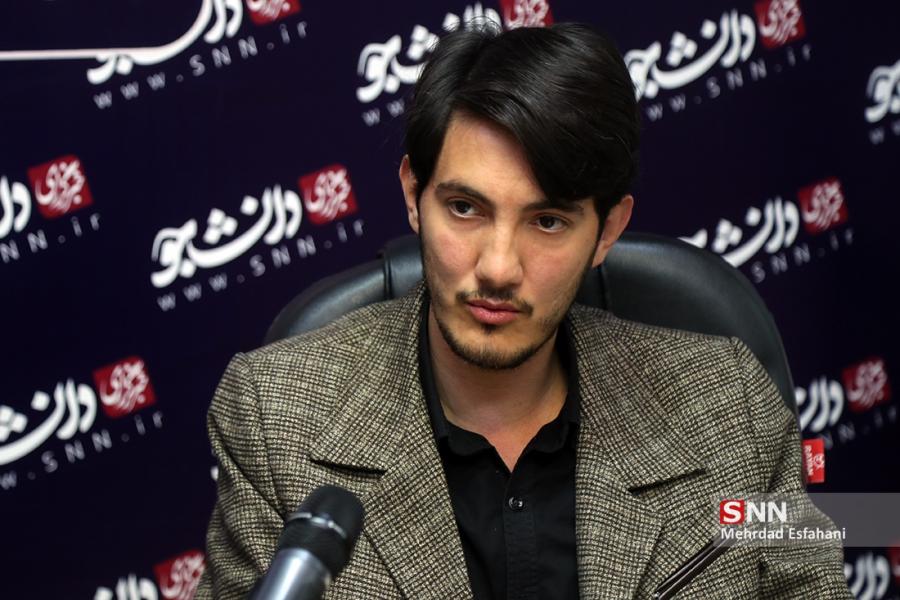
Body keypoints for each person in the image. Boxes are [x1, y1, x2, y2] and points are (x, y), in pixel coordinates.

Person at [195, 23, 852, 599]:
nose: (499, 267)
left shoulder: (732, 406)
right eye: (464, 209)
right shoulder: (274, 420)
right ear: (413, 195)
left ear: (607, 231)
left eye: (547, 221)